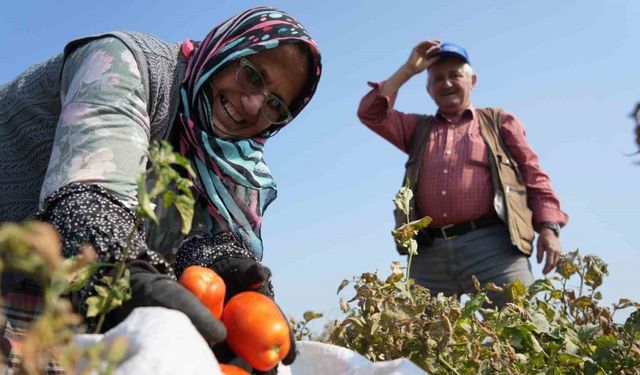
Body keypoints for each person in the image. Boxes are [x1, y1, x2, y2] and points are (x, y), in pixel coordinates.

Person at [0, 6, 322, 374]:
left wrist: (223, 266)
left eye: (276, 105)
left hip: (62, 294)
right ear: (227, 50)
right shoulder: (125, 64)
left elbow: (195, 238)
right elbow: (86, 198)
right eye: (252, 75)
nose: (253, 105)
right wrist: (127, 276)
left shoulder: (228, 160)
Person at [357, 40, 567, 307]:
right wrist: (408, 70)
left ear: (472, 80)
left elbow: (534, 174)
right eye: (438, 78)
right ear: (429, 88)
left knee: (522, 327)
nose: (446, 84)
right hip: (428, 252)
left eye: (455, 75)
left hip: (494, 248)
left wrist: (548, 228)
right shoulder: (417, 129)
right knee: (420, 339)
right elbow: (370, 113)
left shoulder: (498, 122)